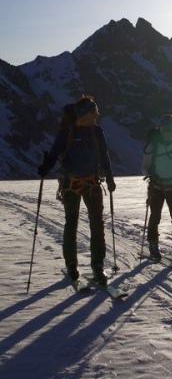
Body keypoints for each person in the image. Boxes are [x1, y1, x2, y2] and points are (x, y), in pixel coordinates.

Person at [38, 95, 116, 284]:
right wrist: (46, 166)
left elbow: (104, 156)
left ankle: (96, 265)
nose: (95, 116)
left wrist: (110, 177)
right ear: (84, 113)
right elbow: (55, 152)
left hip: (84, 183)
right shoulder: (69, 132)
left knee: (94, 224)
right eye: (93, 113)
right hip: (75, 184)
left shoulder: (94, 132)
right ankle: (73, 265)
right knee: (74, 223)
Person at [142, 113, 172, 262]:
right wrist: (150, 173)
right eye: (166, 129)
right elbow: (144, 168)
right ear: (161, 129)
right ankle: (154, 247)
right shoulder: (152, 147)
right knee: (156, 217)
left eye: (171, 130)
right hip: (158, 187)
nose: (168, 133)